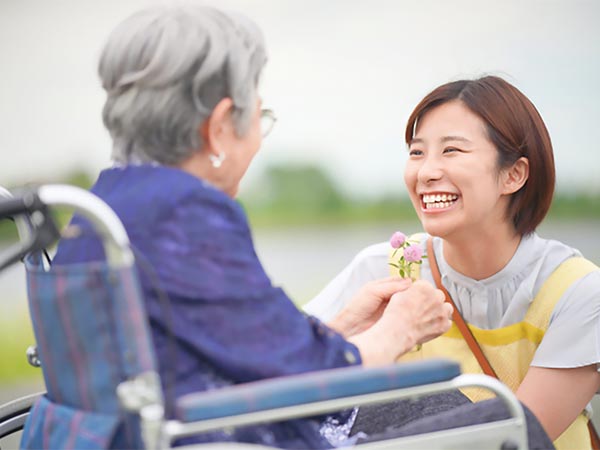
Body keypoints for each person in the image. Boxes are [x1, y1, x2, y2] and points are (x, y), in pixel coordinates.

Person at [25, 6, 553, 449]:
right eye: (260, 118)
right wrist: (402, 329)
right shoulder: (186, 215)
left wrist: (343, 324)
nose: (258, 139)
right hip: (225, 436)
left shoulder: (102, 209)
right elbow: (298, 379)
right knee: (508, 419)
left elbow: (231, 348)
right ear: (217, 127)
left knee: (439, 400)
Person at [305, 75, 600, 449]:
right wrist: (346, 332)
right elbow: (279, 380)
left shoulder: (578, 292)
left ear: (514, 174)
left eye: (451, 151)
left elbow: (513, 436)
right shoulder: (383, 267)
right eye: (417, 152)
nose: (426, 172)